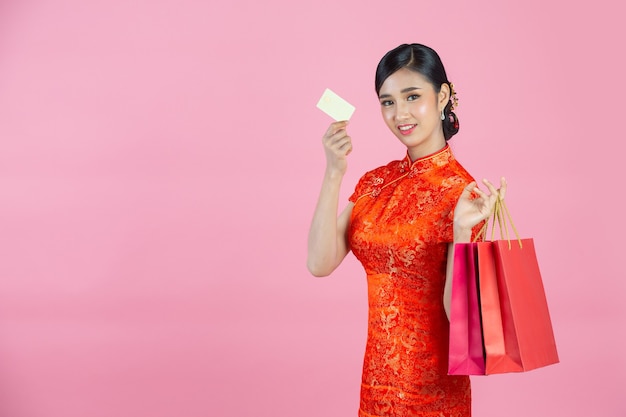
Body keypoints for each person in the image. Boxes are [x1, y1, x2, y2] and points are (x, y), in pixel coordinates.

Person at [307, 43, 506, 417]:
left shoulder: (464, 195)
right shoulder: (375, 182)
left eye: (412, 96)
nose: (400, 114)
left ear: (443, 95)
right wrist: (334, 172)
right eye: (388, 102)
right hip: (375, 388)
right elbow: (319, 262)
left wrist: (463, 233)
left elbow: (462, 321)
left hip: (434, 395)